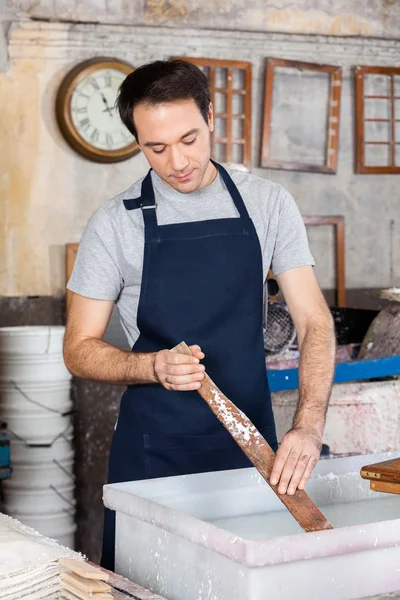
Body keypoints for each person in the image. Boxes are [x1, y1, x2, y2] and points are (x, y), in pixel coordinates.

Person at [63, 59, 336, 571]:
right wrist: (151, 367)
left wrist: (309, 424)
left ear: (211, 117)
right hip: (153, 458)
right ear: (138, 143)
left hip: (253, 450)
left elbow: (314, 322)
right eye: (157, 148)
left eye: (189, 138)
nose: (178, 161)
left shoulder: (267, 204)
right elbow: (78, 349)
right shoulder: (115, 224)